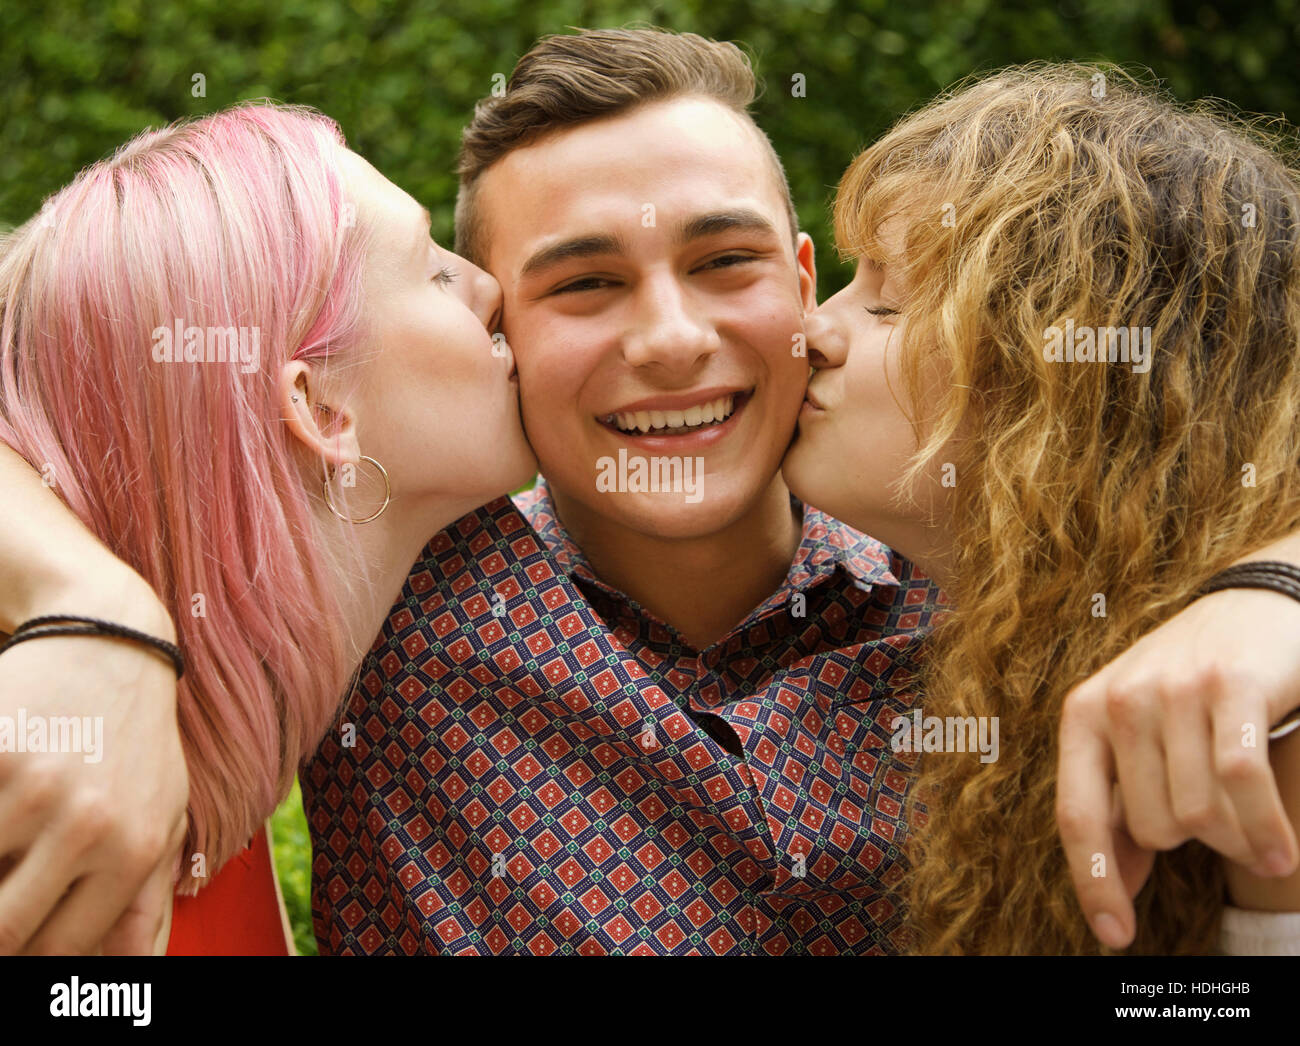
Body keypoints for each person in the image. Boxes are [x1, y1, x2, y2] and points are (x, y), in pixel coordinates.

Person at [4, 27, 1300, 954]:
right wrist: (80, 605)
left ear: (803, 283)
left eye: (725, 261)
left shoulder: (1034, 605)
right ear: (502, 331)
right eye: (580, 285)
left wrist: (1271, 585)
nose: (672, 338)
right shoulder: (379, 587)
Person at [782, 63, 1300, 953]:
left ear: (1068, 384)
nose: (815, 331)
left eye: (888, 302)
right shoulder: (980, 634)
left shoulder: (1252, 720)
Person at [0, 100, 534, 952]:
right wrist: (97, 608)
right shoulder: (51, 801)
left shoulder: (210, 807)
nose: (490, 287)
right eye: (434, 273)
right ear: (318, 407)